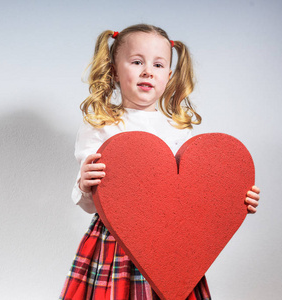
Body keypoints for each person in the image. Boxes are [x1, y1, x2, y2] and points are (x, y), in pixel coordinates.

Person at [60, 24, 260, 300]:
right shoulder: (101, 126)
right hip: (116, 243)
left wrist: (235, 199)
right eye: (137, 62)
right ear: (115, 70)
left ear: (168, 75)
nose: (147, 71)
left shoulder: (179, 129)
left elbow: (193, 197)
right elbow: (92, 203)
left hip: (171, 247)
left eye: (158, 64)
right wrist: (84, 184)